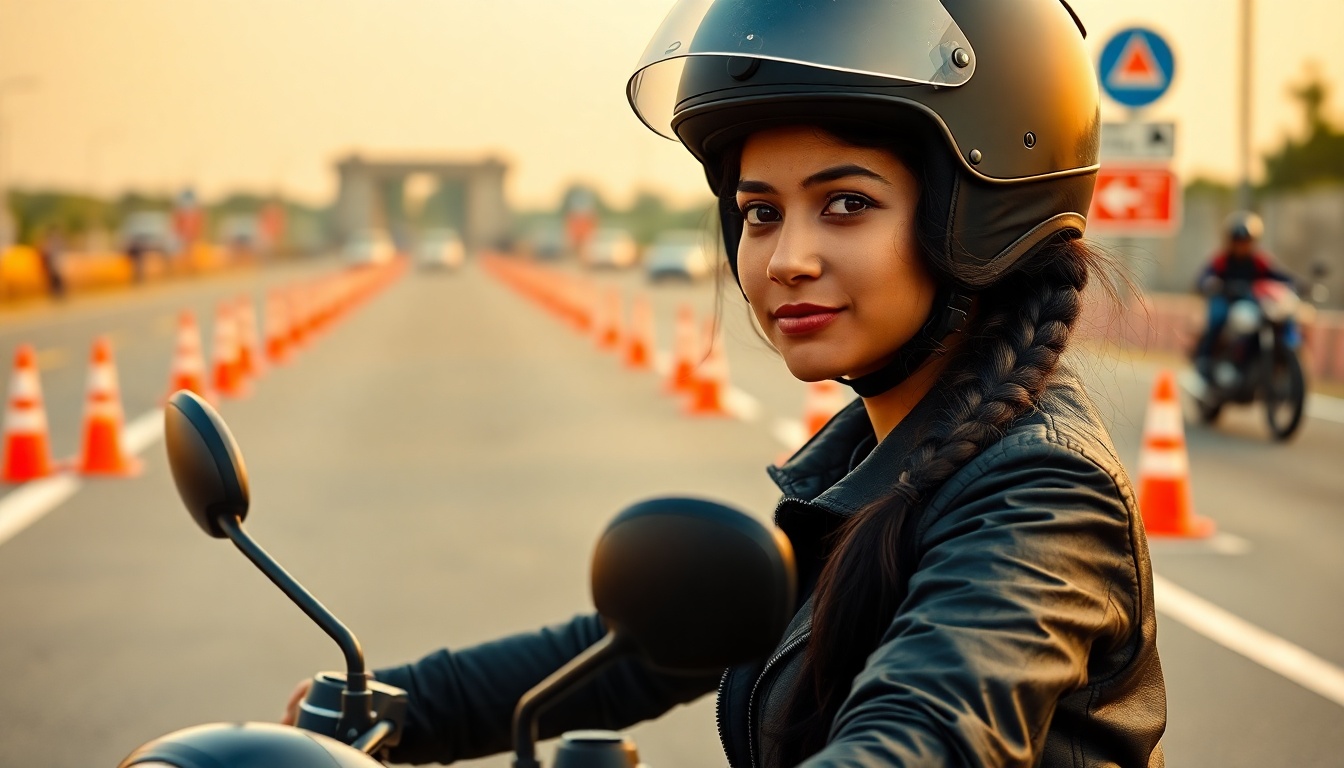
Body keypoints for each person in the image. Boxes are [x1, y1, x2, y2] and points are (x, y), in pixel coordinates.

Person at [282, 2, 1166, 765]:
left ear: (980, 213)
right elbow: (652, 648)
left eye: (847, 203)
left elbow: (929, 730)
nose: (787, 260)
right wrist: (386, 705)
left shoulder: (1042, 492)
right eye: (760, 213)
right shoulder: (889, 455)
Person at [1192, 211, 1295, 375]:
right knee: (1218, 317)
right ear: (1230, 241)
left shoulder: (1259, 261)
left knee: (1279, 316)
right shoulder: (1222, 261)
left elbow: (1280, 276)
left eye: (1246, 241)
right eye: (1238, 241)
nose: (1242, 245)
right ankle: (1204, 359)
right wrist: (1210, 283)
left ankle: (1280, 352)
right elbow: (1203, 278)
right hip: (1226, 300)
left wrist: (1297, 284)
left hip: (1251, 303)